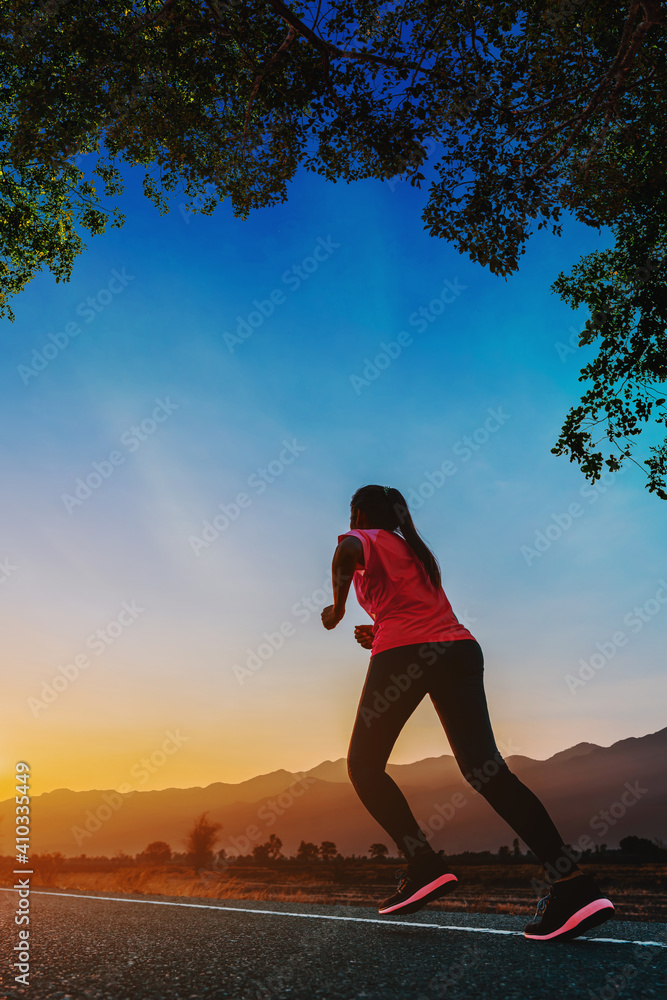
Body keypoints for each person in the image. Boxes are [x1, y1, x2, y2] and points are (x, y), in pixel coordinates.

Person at [321, 484, 615, 942]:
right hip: (458, 649)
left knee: (363, 766)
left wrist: (338, 607)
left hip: (409, 652)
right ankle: (572, 884)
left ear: (358, 514)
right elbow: (409, 609)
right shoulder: (412, 549)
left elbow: (347, 555)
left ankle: (424, 865)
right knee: (486, 771)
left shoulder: (363, 538)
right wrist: (378, 630)